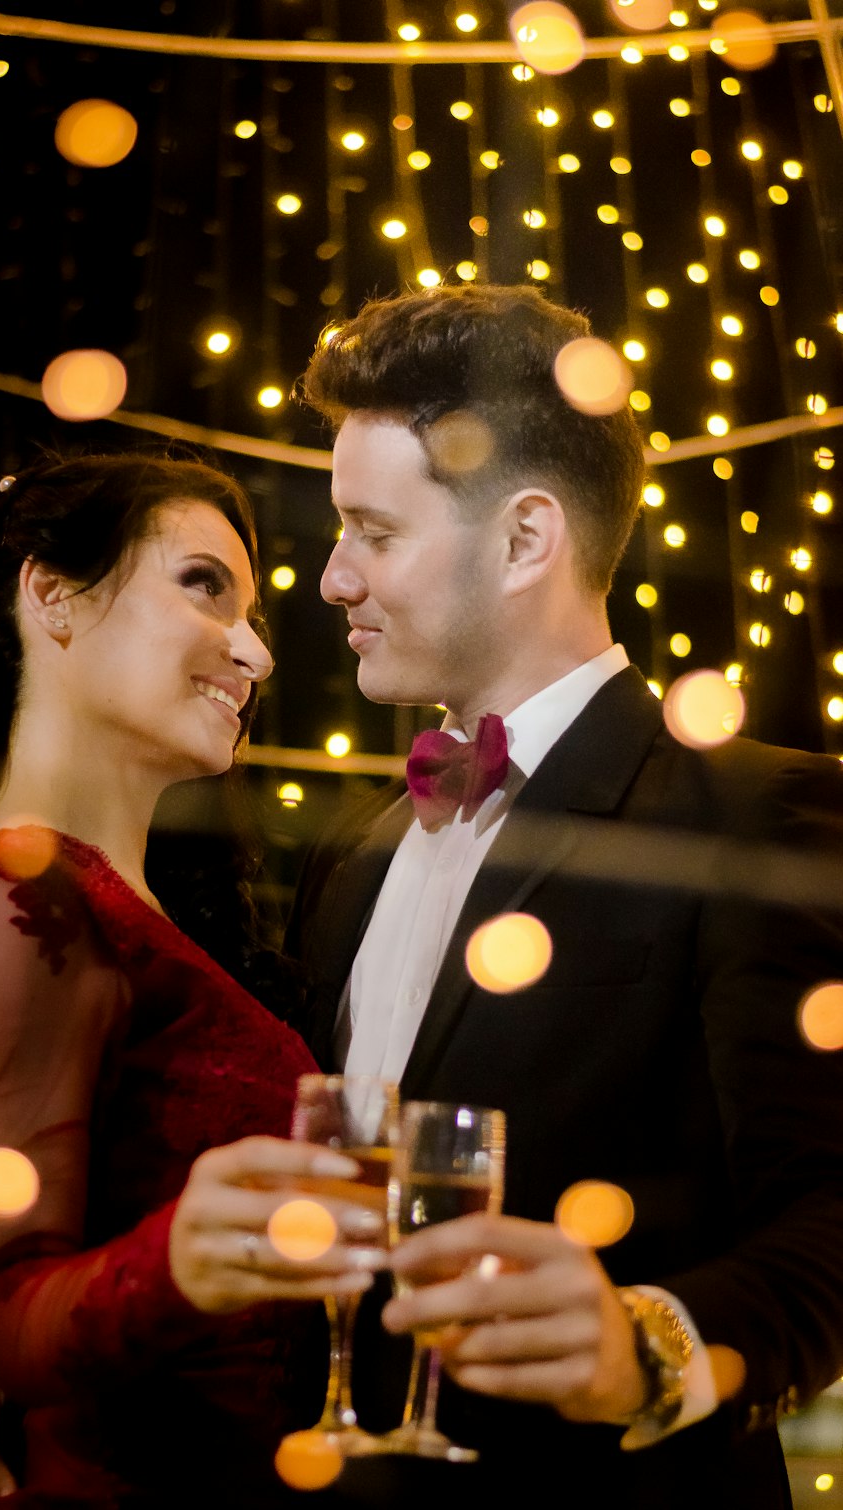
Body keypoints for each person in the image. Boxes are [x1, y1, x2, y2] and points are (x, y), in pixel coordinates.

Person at [284, 283, 843, 1507]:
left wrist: (643, 1344)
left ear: (526, 537)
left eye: (372, 531)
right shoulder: (356, 856)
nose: (331, 578)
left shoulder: (752, 815)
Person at [0, 452, 385, 1508]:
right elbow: (12, 1315)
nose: (254, 652)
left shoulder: (132, 907)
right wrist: (177, 1261)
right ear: (53, 594)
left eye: (253, 614)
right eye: (204, 584)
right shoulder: (15, 907)